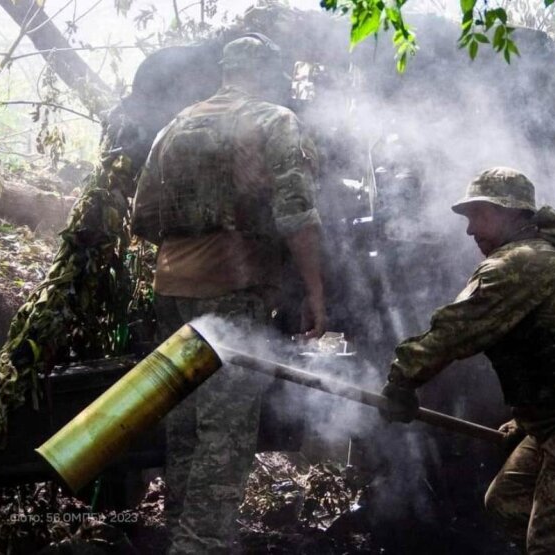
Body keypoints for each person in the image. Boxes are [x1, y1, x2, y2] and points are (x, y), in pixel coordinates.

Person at [380, 167, 555, 554]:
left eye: (479, 215)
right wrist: (528, 422)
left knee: (552, 546)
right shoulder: (550, 253)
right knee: (507, 505)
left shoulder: (518, 263)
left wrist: (400, 382)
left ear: (512, 213)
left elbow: (453, 332)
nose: (470, 230)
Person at [131, 34, 326, 554]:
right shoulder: (274, 121)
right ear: (268, 71)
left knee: (186, 426)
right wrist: (315, 293)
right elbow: (298, 217)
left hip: (171, 290)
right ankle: (203, 546)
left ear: (226, 71)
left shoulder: (174, 128)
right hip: (232, 293)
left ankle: (181, 537)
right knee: (226, 429)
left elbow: (143, 218)